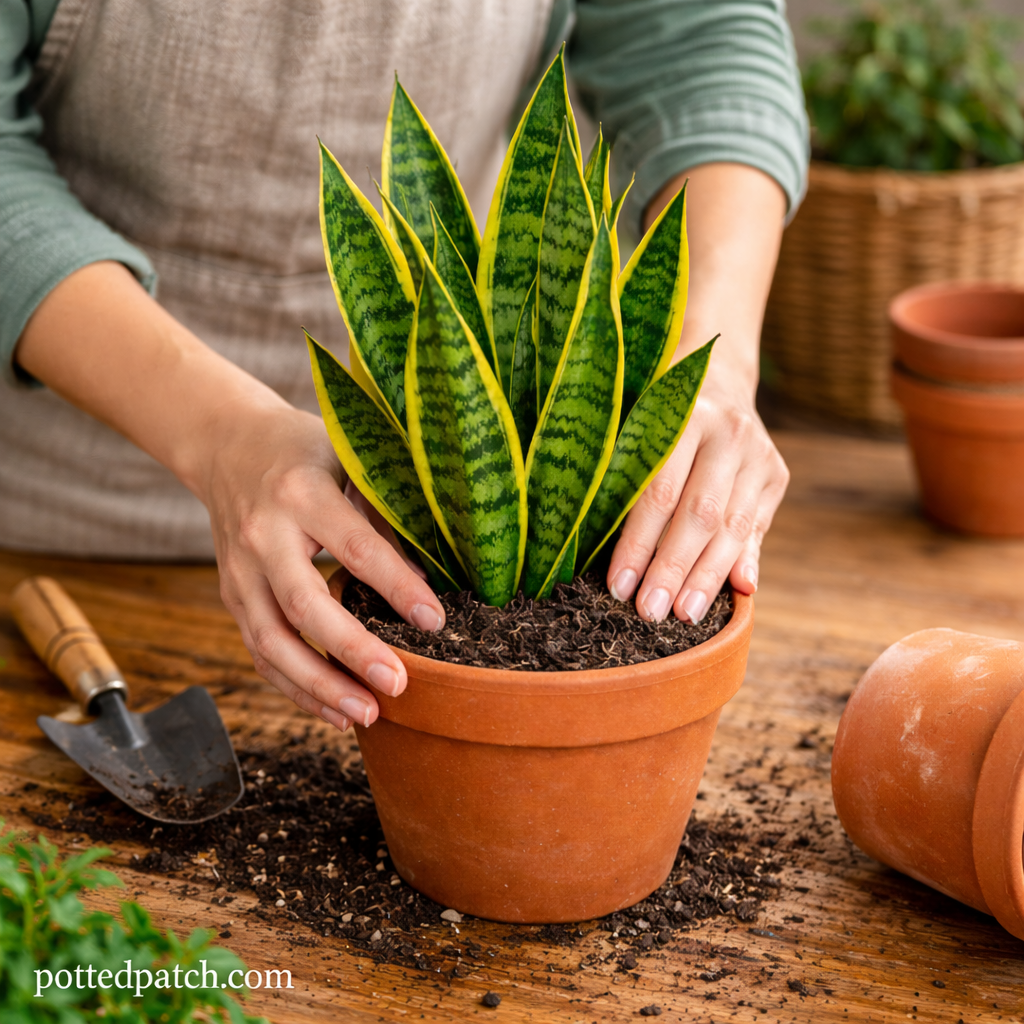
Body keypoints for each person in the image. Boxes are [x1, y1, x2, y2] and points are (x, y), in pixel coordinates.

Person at [0, 0, 808, 732]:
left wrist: (715, 358)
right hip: (63, 525)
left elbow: (697, 33)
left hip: (449, 492)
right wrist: (219, 437)